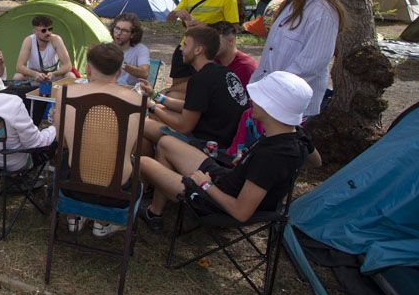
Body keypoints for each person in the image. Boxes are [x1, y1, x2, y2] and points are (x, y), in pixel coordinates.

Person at [137, 71, 322, 232]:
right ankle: (155, 212)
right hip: (227, 178)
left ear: (271, 109)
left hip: (215, 199)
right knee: (166, 143)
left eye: (259, 98)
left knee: (142, 162)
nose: (252, 100)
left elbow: (240, 213)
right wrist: (248, 162)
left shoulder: (271, 157)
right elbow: (317, 161)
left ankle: (127, 206)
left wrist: (206, 186)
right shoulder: (296, 135)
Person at [53, 42, 146, 237]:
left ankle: (73, 217)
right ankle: (103, 222)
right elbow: (134, 149)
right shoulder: (136, 101)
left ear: (87, 68)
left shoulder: (65, 93)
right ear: (119, 73)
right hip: (118, 195)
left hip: (73, 188)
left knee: (65, 157)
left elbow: (62, 143)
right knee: (129, 164)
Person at [249, 0, 345, 118]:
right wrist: (258, 86)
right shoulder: (292, 4)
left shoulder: (322, 11)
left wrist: (274, 89)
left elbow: (311, 63)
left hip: (291, 102)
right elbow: (271, 52)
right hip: (272, 96)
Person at [140, 26, 248, 152]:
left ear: (198, 50)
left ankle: (146, 166)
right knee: (157, 113)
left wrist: (151, 106)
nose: (181, 49)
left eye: (185, 45)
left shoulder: (201, 79)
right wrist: (155, 96)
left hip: (212, 147)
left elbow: (184, 127)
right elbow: (192, 107)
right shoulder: (223, 72)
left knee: (140, 123)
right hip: (230, 141)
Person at [164, 0, 239, 99]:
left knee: (201, 90)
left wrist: (208, 27)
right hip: (185, 48)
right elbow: (169, 19)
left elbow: (233, 29)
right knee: (177, 90)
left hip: (207, 53)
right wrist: (177, 14)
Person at [13, 15, 74, 82]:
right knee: (17, 77)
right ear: (35, 32)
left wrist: (54, 73)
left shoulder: (56, 40)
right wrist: (35, 74)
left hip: (52, 76)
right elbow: (19, 67)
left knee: (70, 76)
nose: (48, 33)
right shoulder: (29, 41)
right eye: (44, 30)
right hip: (34, 76)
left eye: (50, 29)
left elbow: (68, 65)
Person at [211, 21, 257, 88]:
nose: (210, 45)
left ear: (231, 41)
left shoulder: (247, 67)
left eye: (216, 41)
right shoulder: (210, 62)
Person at [110, 13, 150, 86]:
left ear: (132, 34)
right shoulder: (107, 48)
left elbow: (144, 73)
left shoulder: (141, 50)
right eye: (117, 28)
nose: (119, 33)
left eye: (124, 31)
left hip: (130, 91)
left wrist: (121, 63)